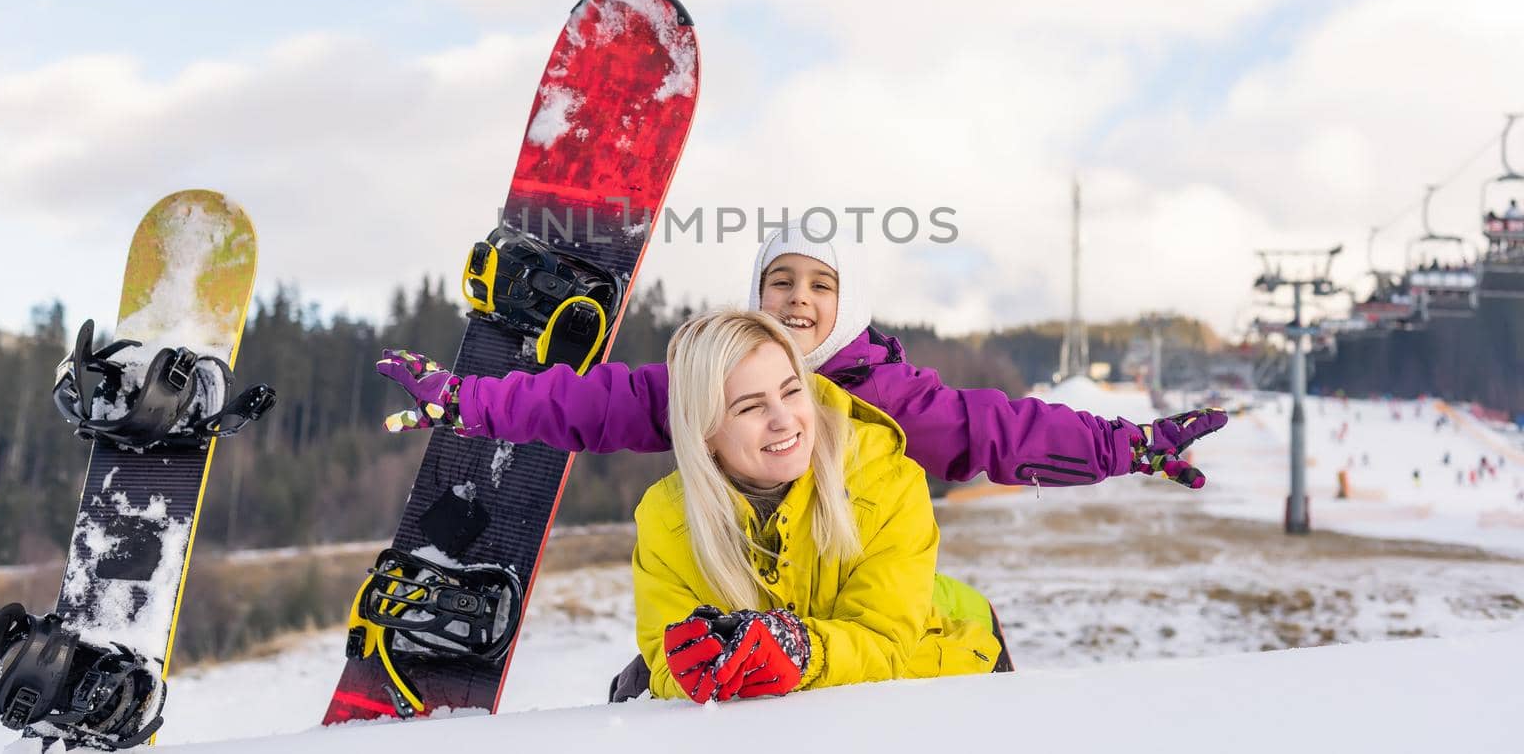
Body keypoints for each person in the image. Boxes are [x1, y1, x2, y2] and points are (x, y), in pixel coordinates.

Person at [379, 225, 1229, 494]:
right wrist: (473, 400)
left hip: (849, 587)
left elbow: (1001, 430)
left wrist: (1129, 445)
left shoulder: (888, 393)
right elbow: (596, 403)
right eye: (778, 281)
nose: (796, 298)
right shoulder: (716, 373)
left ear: (846, 303)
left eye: (818, 285)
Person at [634, 309, 1002, 702]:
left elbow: (883, 640)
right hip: (779, 718)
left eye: (792, 391)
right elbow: (663, 660)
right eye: (750, 407)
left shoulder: (885, 480)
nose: (783, 420)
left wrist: (800, 650)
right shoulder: (666, 518)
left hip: (928, 678)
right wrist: (694, 667)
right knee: (632, 683)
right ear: (704, 431)